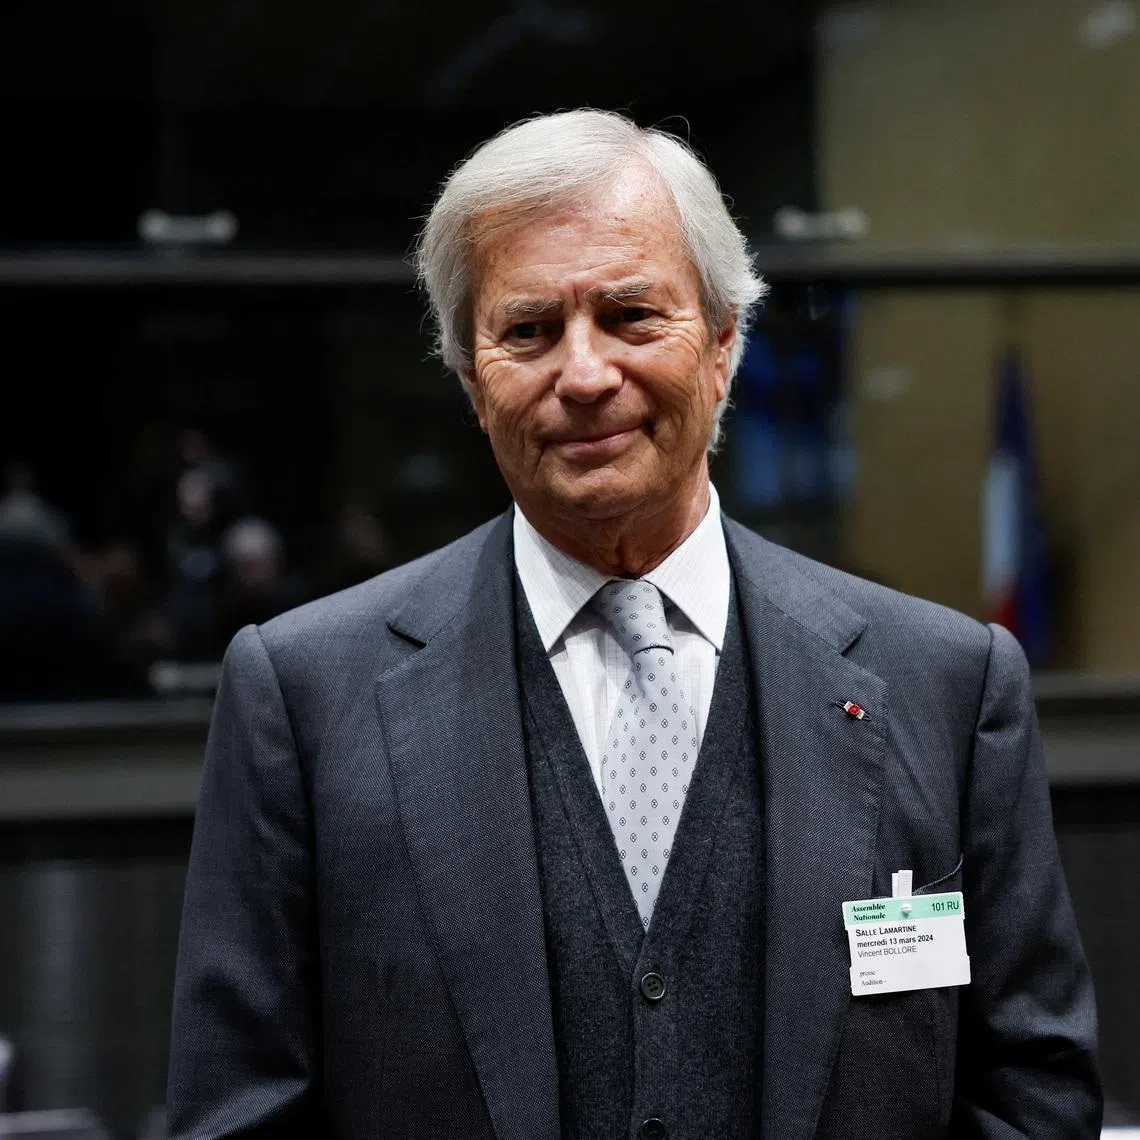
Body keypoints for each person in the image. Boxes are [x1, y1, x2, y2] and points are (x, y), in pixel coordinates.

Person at [167, 110, 1101, 1139]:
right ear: (474, 385)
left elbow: (1031, 1100)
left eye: (630, 315)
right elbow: (240, 1115)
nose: (584, 373)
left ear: (725, 346)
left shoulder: (947, 687)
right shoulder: (304, 698)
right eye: (527, 331)